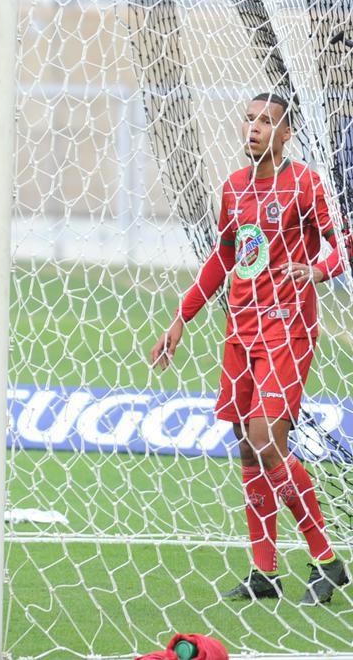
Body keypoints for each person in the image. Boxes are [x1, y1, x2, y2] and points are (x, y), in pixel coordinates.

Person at [149, 94, 350, 606]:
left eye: (267, 121)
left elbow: (343, 242)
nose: (255, 127)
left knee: (265, 441)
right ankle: (265, 573)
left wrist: (319, 271)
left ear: (286, 135)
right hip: (239, 332)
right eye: (250, 118)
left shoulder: (304, 183)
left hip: (287, 331)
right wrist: (182, 318)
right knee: (247, 447)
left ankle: (327, 561)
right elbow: (225, 257)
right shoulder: (234, 188)